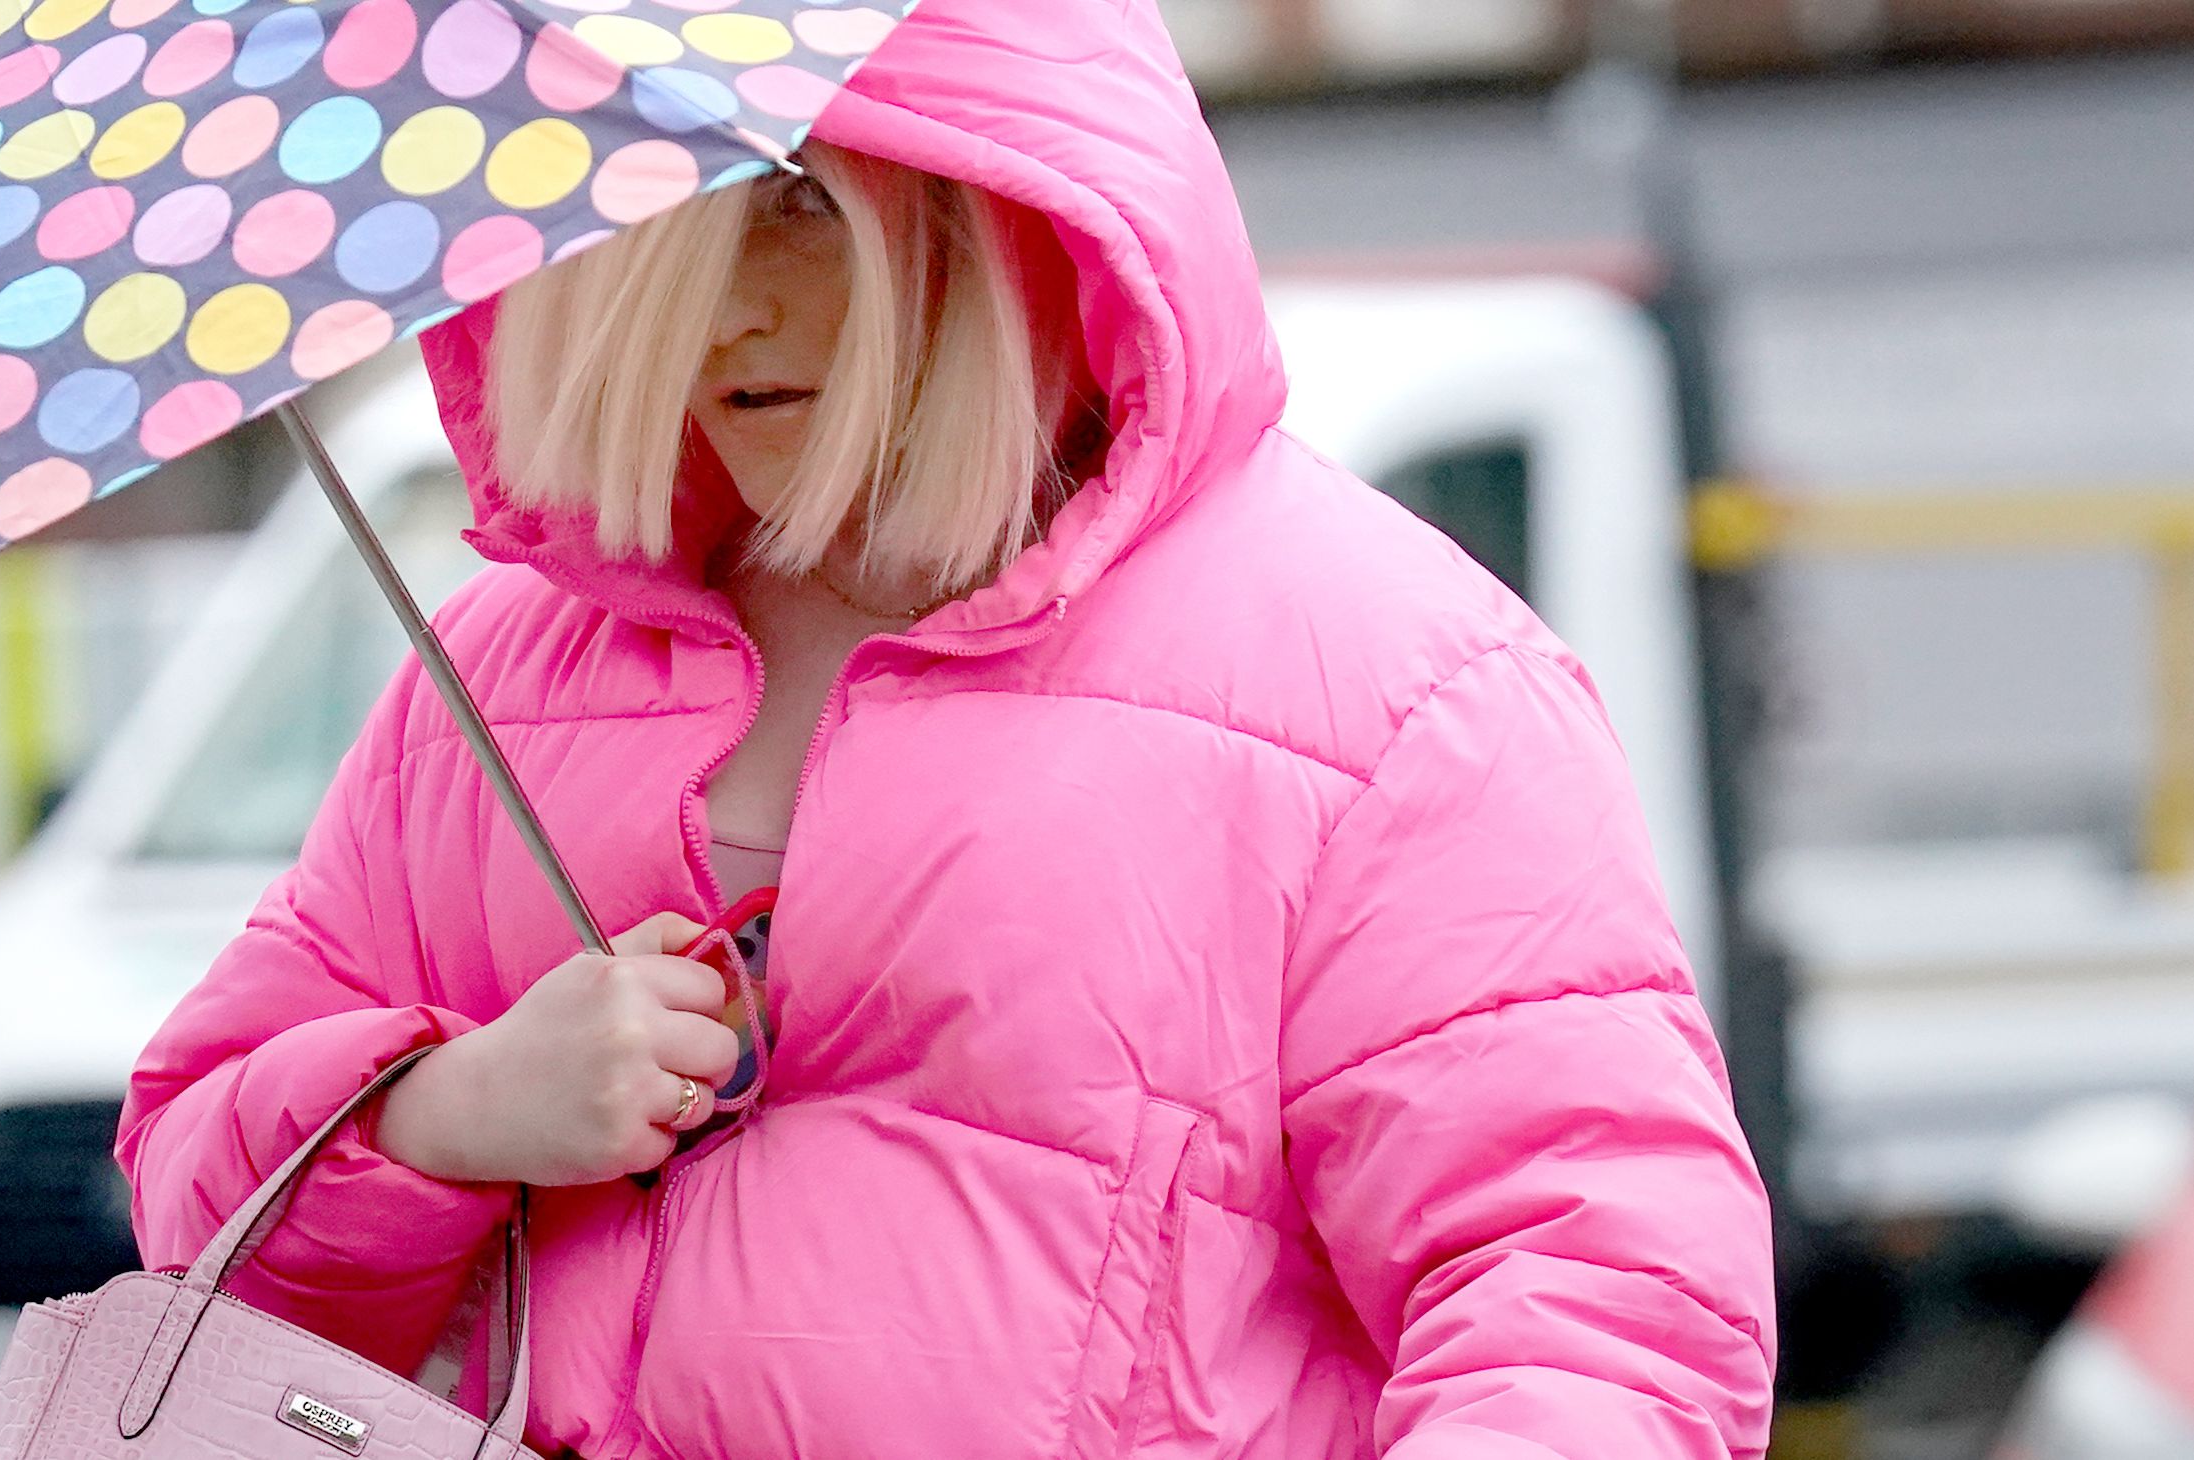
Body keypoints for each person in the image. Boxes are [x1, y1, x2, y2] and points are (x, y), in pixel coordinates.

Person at [116, 3, 1777, 1456]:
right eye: (645, 217)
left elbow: (1586, 1294)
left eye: (797, 210)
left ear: (1005, 208)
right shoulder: (500, 677)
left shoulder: (1388, 684)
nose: (714, 318)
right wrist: (450, 1115)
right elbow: (198, 1220)